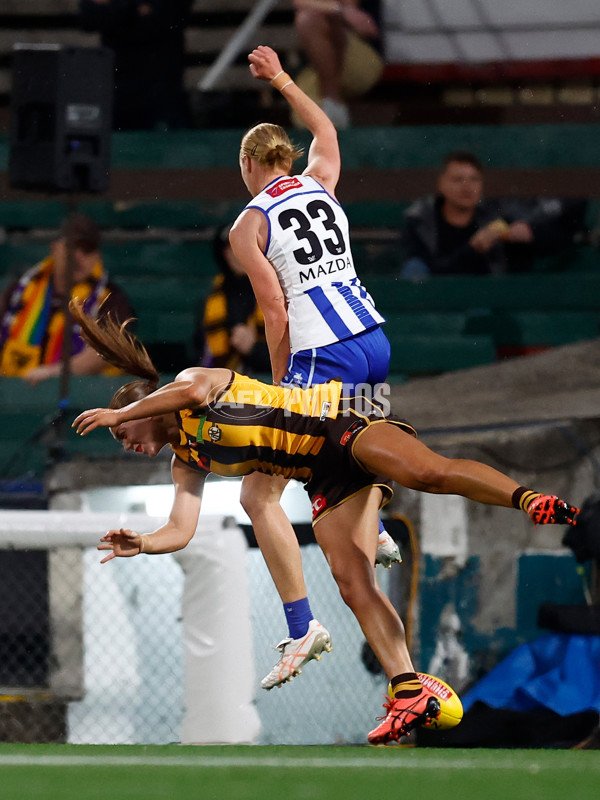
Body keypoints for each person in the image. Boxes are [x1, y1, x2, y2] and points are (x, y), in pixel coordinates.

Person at [69, 300, 581, 745]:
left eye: (123, 431)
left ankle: (529, 499)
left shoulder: (191, 382)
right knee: (353, 582)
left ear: (138, 407)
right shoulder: (186, 460)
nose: (126, 444)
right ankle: (407, 689)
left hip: (337, 421)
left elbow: (190, 396)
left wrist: (115, 414)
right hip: (322, 478)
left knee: (428, 472)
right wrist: (145, 543)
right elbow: (180, 529)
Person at [229, 45, 399, 691]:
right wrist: (281, 80)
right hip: (373, 338)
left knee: (258, 492)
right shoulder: (321, 181)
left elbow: (274, 308)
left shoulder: (248, 223)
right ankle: (376, 528)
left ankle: (303, 627)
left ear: (247, 165)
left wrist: (281, 382)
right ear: (291, 157)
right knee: (352, 441)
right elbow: (327, 129)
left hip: (322, 351)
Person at [399, 151, 588, 278]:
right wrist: (473, 249)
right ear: (441, 184)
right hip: (433, 303)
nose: (467, 186)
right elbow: (434, 271)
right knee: (414, 268)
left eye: (474, 179)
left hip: (482, 304)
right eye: (458, 179)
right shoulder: (421, 220)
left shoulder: (495, 216)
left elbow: (557, 239)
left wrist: (531, 233)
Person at [0, 213, 134, 385]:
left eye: (87, 249)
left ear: (97, 255)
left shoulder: (110, 296)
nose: (78, 256)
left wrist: (53, 373)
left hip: (83, 396)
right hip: (13, 391)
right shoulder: (20, 290)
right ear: (54, 248)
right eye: (72, 247)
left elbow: (109, 350)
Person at [79, 0, 192, 131]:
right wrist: (134, 8)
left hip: (162, 89)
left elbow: (163, 17)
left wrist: (115, 8)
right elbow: (89, 17)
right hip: (117, 89)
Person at [192, 226, 271, 375]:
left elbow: (293, 356)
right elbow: (198, 353)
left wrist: (254, 349)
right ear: (223, 254)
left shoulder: (277, 293)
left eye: (244, 246)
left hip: (267, 385)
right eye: (230, 248)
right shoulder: (209, 299)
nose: (237, 254)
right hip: (218, 387)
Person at [292, 0, 383, 129]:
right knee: (302, 116)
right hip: (320, 71)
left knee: (309, 19)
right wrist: (338, 9)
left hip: (361, 61)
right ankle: (333, 105)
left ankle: (333, 101)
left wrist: (338, 10)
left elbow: (352, 10)